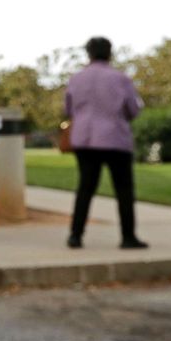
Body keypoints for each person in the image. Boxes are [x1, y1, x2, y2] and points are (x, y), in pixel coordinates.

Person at [64, 37, 147, 249]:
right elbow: (133, 110)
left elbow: (68, 109)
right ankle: (128, 237)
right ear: (110, 53)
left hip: (84, 139)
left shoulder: (76, 79)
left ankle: (76, 235)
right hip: (114, 139)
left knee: (85, 187)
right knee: (124, 190)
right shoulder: (120, 79)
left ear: (88, 53)